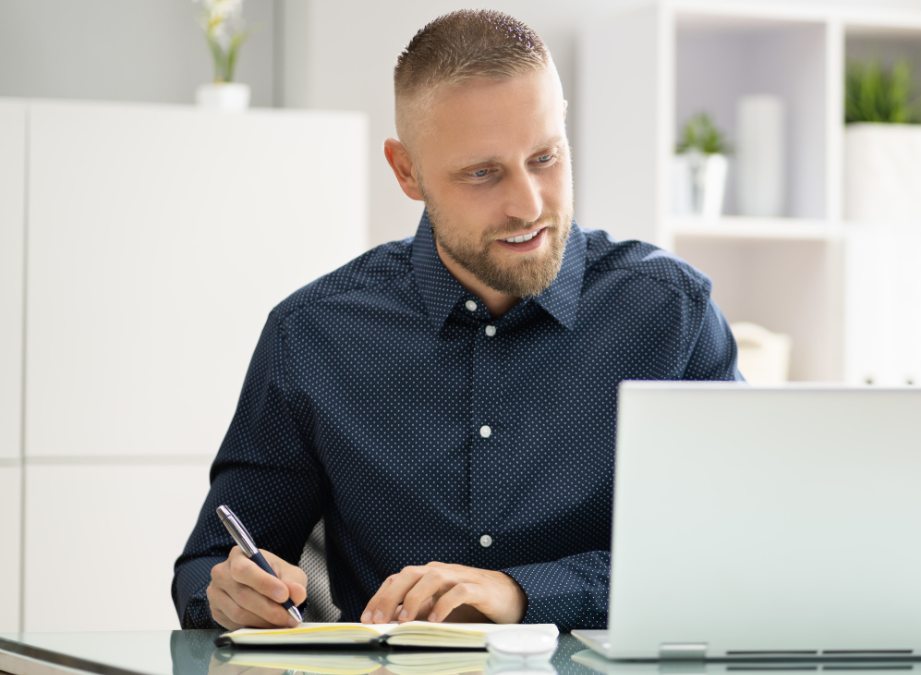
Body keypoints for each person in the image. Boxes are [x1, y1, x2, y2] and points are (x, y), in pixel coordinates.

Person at [172, 9, 739, 632]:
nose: (528, 205)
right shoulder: (311, 335)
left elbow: (728, 556)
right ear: (406, 171)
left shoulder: (671, 312)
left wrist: (522, 593)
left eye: (545, 157)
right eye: (482, 173)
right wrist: (226, 592)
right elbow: (209, 565)